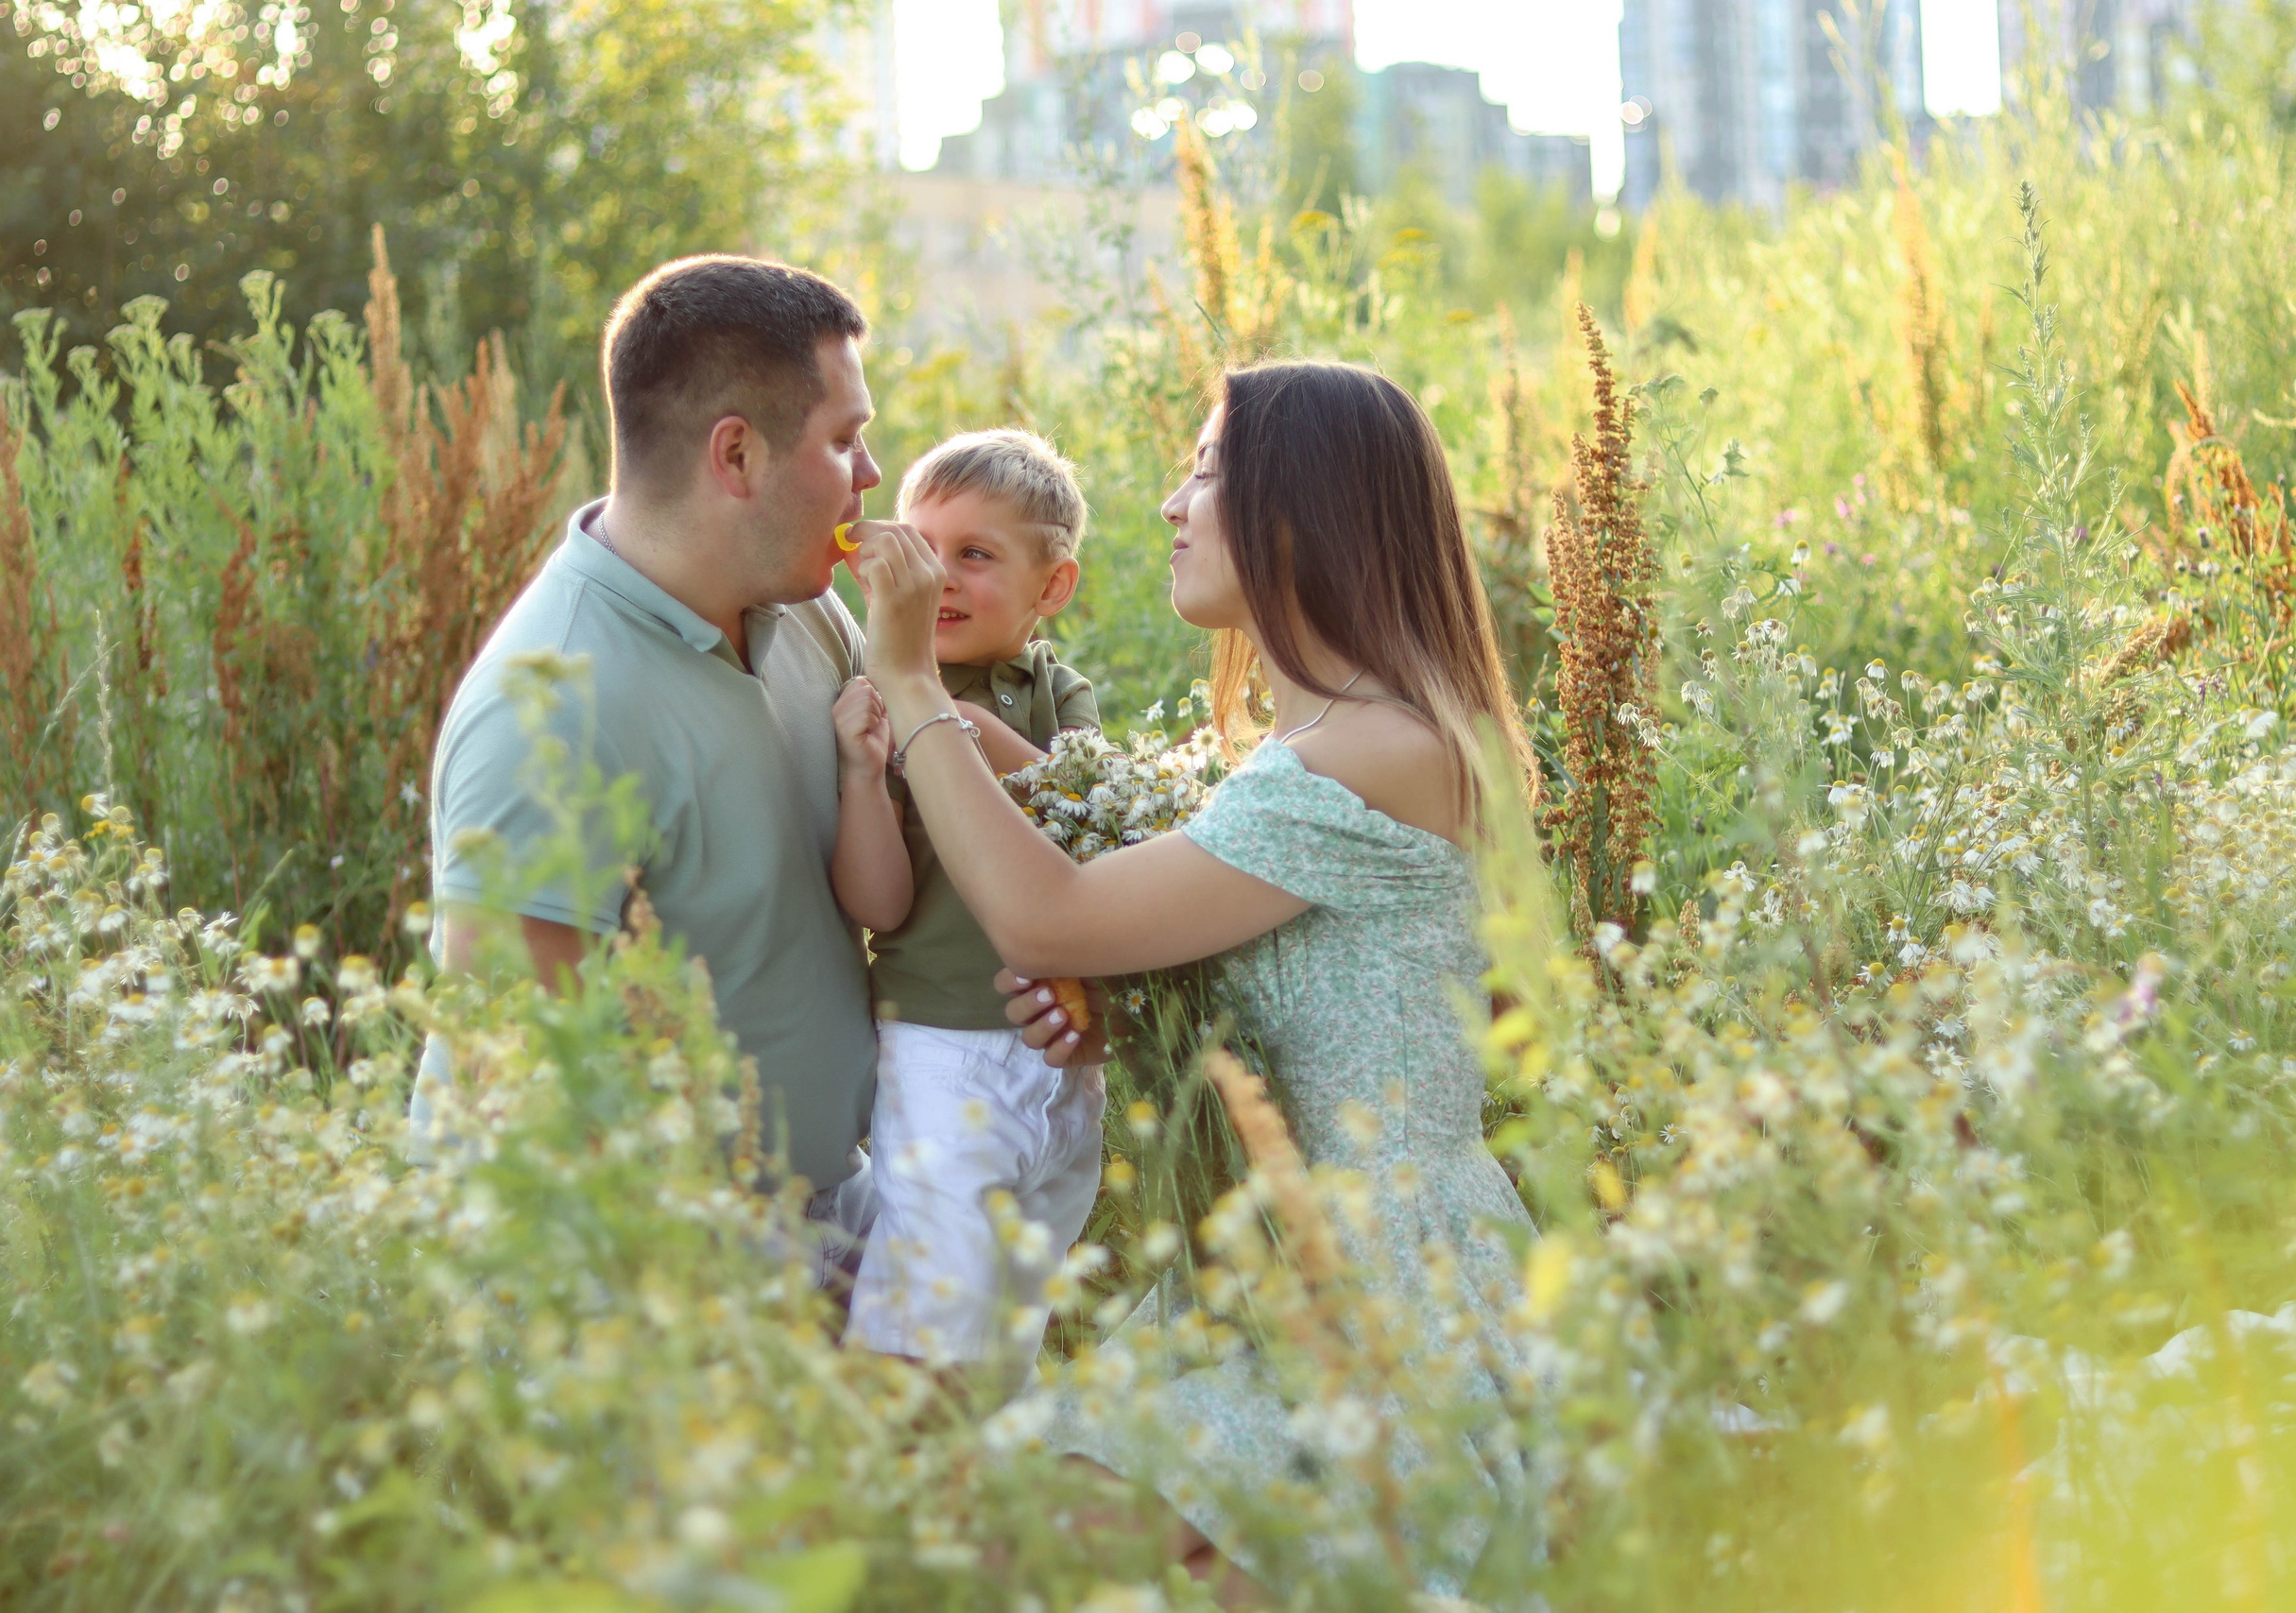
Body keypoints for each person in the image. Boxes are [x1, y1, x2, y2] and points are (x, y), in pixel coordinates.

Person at [844, 360, 1542, 1599]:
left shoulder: (1372, 751)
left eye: (1208, 471)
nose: (1172, 503)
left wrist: (908, 684)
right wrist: (1132, 1008)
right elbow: (1292, 976)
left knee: (1001, 1542)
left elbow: (1044, 910)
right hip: (1288, 1277)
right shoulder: (1341, 739)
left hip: (1374, 1308)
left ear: (1296, 509)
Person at [412, 254, 889, 1275]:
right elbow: (522, 1090)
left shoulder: (809, 608)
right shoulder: (548, 711)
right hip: (654, 1272)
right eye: (845, 441)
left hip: (832, 1206)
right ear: (736, 455)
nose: (871, 476)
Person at [824, 429, 1107, 1376]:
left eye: (975, 556)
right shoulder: (883, 689)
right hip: (941, 1045)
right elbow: (882, 907)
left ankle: (988, 1483)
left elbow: (1097, 819)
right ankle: (896, 1467)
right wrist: (865, 781)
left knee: (1017, 1299)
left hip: (1061, 1054)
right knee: (932, 1293)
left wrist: (973, 732)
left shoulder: (1053, 690)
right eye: (919, 549)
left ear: (1051, 588)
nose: (939, 579)